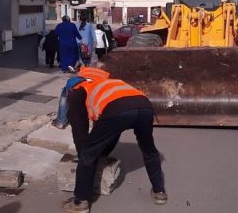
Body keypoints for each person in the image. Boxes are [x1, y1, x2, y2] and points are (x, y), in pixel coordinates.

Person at [62, 67, 167, 213]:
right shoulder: (111, 83)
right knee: (149, 149)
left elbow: (79, 129)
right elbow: (111, 131)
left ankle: (80, 202)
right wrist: (102, 153)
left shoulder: (78, 88)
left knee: (87, 154)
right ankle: (159, 192)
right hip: (145, 106)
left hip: (117, 110)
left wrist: (86, 156)